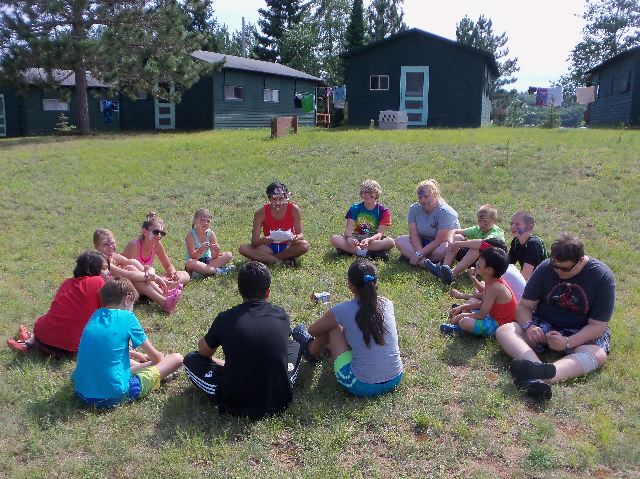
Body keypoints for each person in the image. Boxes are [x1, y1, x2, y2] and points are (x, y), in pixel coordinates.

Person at [496, 233, 615, 401]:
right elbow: (524, 307)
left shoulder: (602, 277)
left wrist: (568, 342)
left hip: (580, 330)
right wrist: (529, 326)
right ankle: (536, 369)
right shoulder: (545, 267)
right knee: (505, 330)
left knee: (597, 355)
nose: (558, 271)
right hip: (544, 324)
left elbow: (597, 326)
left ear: (580, 260)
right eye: (555, 266)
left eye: (564, 269)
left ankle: (547, 374)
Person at [183, 261, 303, 419]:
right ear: (268, 292)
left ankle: (233, 368)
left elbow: (203, 352)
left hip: (235, 401)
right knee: (294, 345)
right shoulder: (280, 314)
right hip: (278, 398)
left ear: (240, 290)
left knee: (190, 360)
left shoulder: (226, 318)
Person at [293, 259, 403, 397]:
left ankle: (312, 352)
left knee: (332, 327)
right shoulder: (387, 303)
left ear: (350, 285)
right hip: (395, 378)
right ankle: (324, 349)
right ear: (375, 282)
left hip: (361, 385)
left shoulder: (342, 310)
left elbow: (313, 330)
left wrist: (332, 320)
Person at [72, 277, 183, 408]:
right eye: (132, 305)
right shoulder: (127, 317)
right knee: (176, 358)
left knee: (116, 364)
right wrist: (157, 359)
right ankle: (160, 373)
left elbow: (109, 350)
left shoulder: (96, 315)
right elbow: (156, 357)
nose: (132, 310)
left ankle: (151, 369)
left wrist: (138, 355)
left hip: (81, 392)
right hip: (112, 395)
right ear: (127, 299)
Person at [6, 252, 108, 357]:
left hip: (44, 335)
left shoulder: (67, 283)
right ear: (92, 269)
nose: (107, 272)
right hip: (71, 347)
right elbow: (107, 314)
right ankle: (28, 340)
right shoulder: (98, 282)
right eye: (104, 269)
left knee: (51, 331)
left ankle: (28, 341)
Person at [93, 228, 182, 313]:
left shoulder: (113, 256)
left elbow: (143, 267)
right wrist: (154, 277)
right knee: (130, 269)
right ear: (96, 247)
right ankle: (164, 302)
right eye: (105, 244)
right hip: (109, 296)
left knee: (132, 263)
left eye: (112, 243)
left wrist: (151, 271)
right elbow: (127, 274)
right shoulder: (100, 260)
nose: (110, 246)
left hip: (120, 290)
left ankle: (164, 294)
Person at [440, 246, 517, 338]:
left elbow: (481, 315)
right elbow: (482, 304)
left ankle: (460, 329)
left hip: (500, 325)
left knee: (464, 322)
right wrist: (462, 307)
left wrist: (461, 316)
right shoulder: (491, 281)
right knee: (469, 306)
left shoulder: (494, 288)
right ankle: (462, 318)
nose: (477, 263)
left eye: (480, 262)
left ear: (489, 270)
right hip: (491, 315)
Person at [426, 204, 505, 284]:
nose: (482, 224)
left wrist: (459, 244)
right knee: (457, 237)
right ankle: (443, 268)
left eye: (485, 222)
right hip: (477, 261)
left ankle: (452, 274)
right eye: (480, 221)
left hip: (488, 264)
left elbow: (482, 244)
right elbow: (453, 231)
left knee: (476, 248)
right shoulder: (478, 229)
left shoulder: (496, 232)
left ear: (494, 221)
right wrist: (451, 242)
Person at [239, 182, 309, 266]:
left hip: (288, 246)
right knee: (243, 249)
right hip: (269, 247)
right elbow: (254, 241)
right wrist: (264, 240)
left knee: (304, 245)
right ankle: (281, 261)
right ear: (269, 199)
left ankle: (269, 259)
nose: (278, 202)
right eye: (274, 199)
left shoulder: (294, 209)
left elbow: (300, 234)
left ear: (286, 197)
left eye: (281, 198)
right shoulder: (261, 213)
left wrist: (297, 238)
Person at [395, 179, 460, 269]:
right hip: (423, 242)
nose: (423, 200)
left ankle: (410, 257)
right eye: (420, 197)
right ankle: (426, 263)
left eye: (426, 196)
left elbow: (439, 240)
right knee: (399, 241)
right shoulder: (414, 209)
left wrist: (419, 254)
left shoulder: (446, 212)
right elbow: (414, 235)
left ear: (435, 195)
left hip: (440, 245)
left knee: (447, 247)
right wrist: (419, 254)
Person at [330, 179, 395, 261]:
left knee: (390, 242)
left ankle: (352, 251)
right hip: (356, 238)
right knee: (334, 239)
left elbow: (379, 234)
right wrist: (349, 239)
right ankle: (367, 253)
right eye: (364, 192)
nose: (367, 195)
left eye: (370, 193)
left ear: (376, 194)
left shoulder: (383, 211)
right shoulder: (355, 208)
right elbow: (348, 230)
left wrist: (369, 240)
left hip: (373, 241)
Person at [121, 211, 190, 287]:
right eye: (156, 232)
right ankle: (164, 288)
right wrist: (156, 279)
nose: (159, 236)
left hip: (148, 278)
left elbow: (168, 266)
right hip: (131, 280)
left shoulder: (157, 244)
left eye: (162, 233)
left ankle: (164, 286)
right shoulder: (134, 245)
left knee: (185, 275)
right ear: (144, 231)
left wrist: (173, 274)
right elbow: (129, 271)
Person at [449, 238, 526, 303]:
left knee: (474, 301)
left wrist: (460, 295)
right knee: (481, 285)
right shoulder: (503, 268)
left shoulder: (500, 275)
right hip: (515, 304)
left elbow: (484, 297)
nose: (476, 262)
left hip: (513, 311)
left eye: (480, 261)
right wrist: (474, 279)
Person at [184, 208, 234, 278]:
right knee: (189, 262)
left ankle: (204, 272)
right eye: (202, 220)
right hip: (196, 262)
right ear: (195, 220)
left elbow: (215, 257)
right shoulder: (190, 236)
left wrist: (217, 250)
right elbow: (193, 257)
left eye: (208, 221)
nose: (205, 223)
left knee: (228, 255)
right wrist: (201, 249)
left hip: (208, 260)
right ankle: (217, 271)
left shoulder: (211, 234)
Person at [508, 211, 548, 281]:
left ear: (529, 227)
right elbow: (507, 266)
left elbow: (525, 276)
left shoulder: (533, 243)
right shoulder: (516, 241)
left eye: (517, 224)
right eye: (512, 223)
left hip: (545, 281)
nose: (512, 227)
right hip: (533, 280)